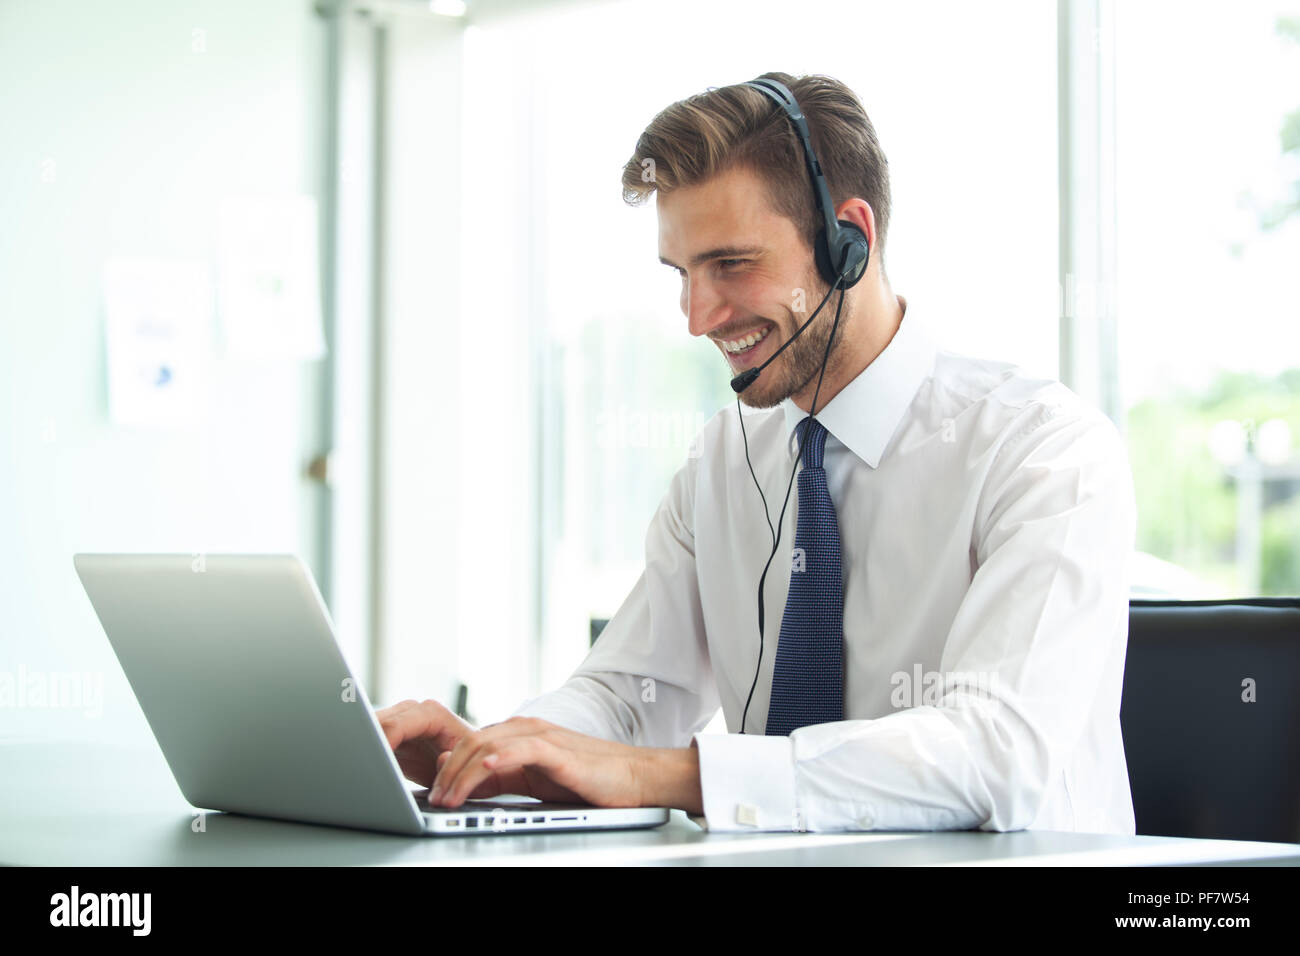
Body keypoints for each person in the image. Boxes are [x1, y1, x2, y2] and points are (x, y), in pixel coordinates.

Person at [376, 71, 1137, 834]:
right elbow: (627, 696)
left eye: (731, 264)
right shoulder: (721, 464)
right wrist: (500, 755)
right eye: (682, 274)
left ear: (850, 243)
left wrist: (665, 775)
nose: (698, 316)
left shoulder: (1043, 452)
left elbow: (993, 753)